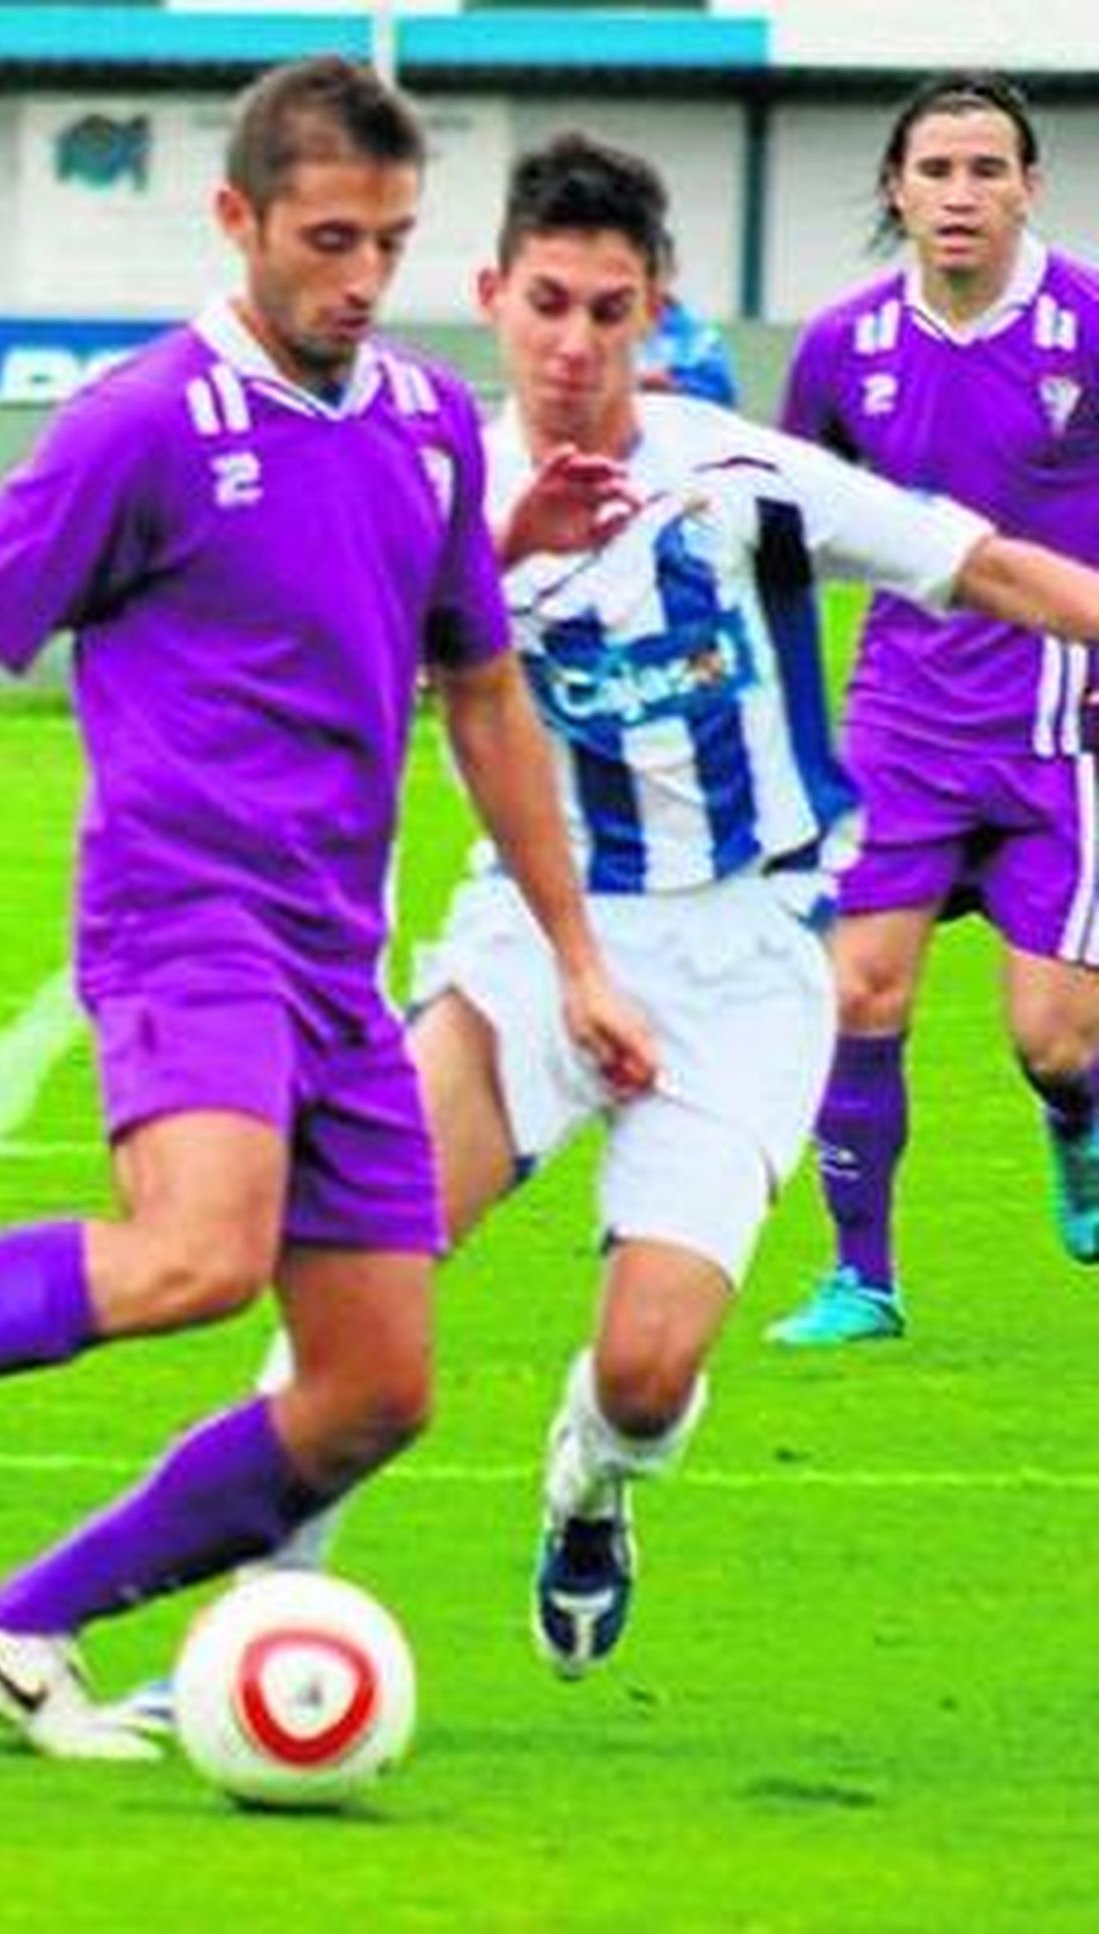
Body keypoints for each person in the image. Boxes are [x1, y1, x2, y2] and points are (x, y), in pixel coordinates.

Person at [0, 58, 654, 1761]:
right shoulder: (141, 422)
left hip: (338, 957)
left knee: (373, 1390)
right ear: (238, 219)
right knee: (195, 1255)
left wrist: (578, 956)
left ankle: (19, 1626)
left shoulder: (429, 427)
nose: (362, 278)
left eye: (389, 242)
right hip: (183, 914)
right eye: (328, 239)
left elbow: (483, 691)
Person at [113, 127, 1099, 1729]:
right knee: (360, 1264)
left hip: (748, 964)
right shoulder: (440, 486)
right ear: (494, 296)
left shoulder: (740, 476)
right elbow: (345, 666)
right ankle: (242, 1623)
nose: (574, 343)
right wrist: (489, 562)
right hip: (529, 943)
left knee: (648, 1370)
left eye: (609, 310)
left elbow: (985, 566)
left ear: (657, 310)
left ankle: (592, 1475)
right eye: (548, 304)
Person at [769, 71, 1099, 1347]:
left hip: (1062, 728)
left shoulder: (1085, 325)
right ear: (897, 191)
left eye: (985, 170)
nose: (960, 193)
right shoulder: (841, 349)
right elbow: (784, 534)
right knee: (859, 993)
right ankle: (862, 1278)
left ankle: (1075, 1120)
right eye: (936, 170)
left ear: (1027, 187)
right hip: (900, 723)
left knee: (1056, 1039)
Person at [637, 235, 738, 405]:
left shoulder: (702, 340)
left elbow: (724, 401)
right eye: (641, 269)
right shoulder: (601, 331)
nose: (647, 280)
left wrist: (676, 389)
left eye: (654, 270)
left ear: (673, 270)